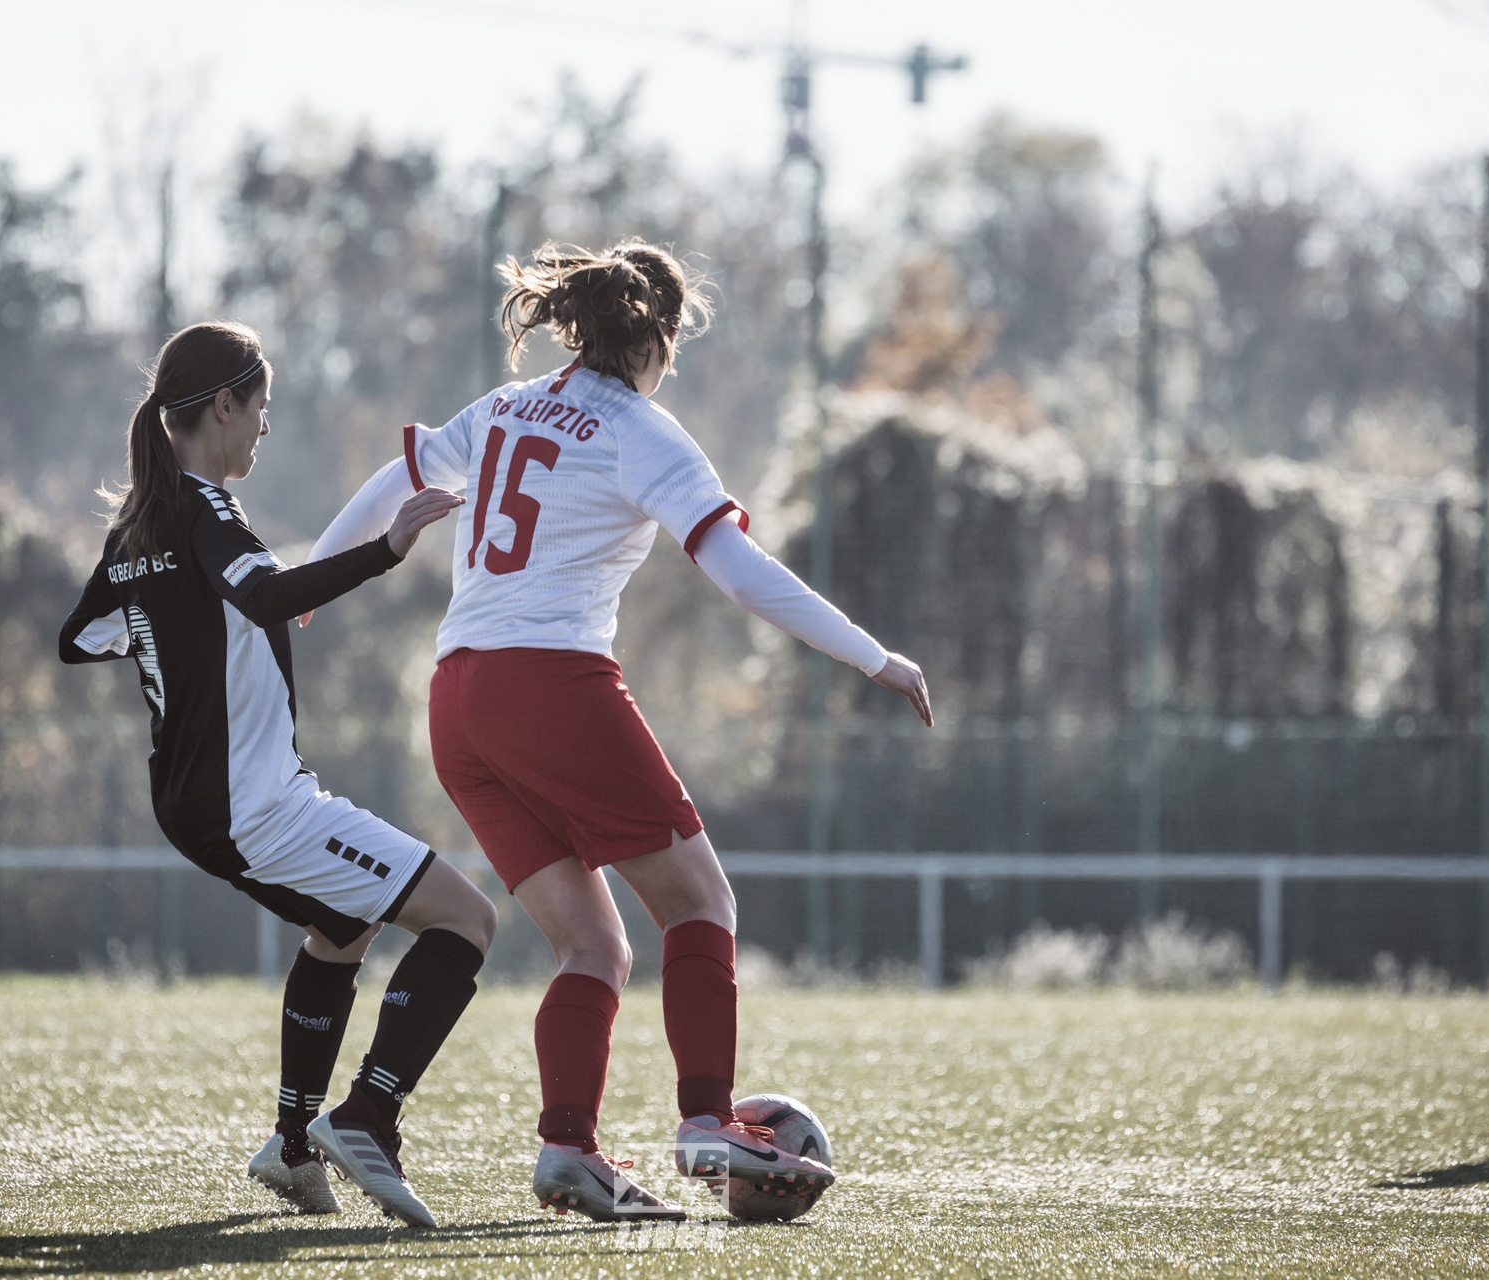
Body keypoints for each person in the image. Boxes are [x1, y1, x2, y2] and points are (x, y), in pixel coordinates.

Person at [307, 241, 932, 1220]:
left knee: (594, 944)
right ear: (661, 338)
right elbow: (738, 570)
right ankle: (706, 1119)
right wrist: (873, 656)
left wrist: (309, 586)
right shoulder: (644, 431)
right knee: (702, 906)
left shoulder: (506, 405)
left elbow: (403, 475)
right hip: (552, 685)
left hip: (459, 699)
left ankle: (569, 1152)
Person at [59, 320, 496, 1226]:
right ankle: (368, 1116)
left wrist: (167, 636)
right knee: (467, 918)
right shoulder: (205, 510)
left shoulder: (137, 523)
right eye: (261, 408)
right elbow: (263, 597)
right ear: (224, 404)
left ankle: (294, 1149)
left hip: (190, 802)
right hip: (256, 801)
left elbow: (80, 638)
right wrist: (386, 549)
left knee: (341, 928)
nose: (265, 427)